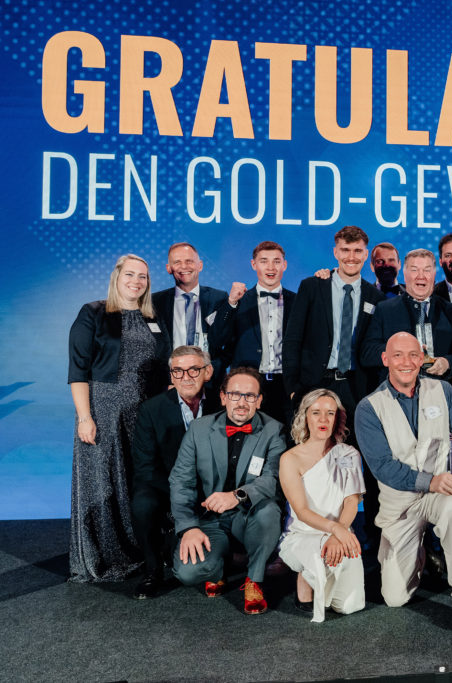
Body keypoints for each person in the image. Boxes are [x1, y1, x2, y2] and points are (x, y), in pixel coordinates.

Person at [354, 332, 452, 630]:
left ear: (422, 358)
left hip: (443, 493)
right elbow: (383, 467)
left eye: (414, 355)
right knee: (395, 597)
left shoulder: (444, 390)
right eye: (398, 355)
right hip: (400, 504)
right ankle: (421, 552)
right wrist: (432, 481)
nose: (407, 362)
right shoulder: (368, 408)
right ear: (385, 360)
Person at [68, 253, 170, 582]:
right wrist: (85, 417)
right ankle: (104, 557)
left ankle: (141, 550)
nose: (136, 281)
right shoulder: (93, 312)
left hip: (144, 411)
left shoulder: (153, 317)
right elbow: (78, 370)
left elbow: (164, 362)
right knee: (103, 481)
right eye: (130, 274)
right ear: (116, 276)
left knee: (138, 481)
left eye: (142, 276)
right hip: (103, 409)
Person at [169, 367, 286, 615]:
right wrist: (188, 527)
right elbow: (180, 481)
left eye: (249, 396)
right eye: (235, 394)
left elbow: (273, 479)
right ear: (223, 397)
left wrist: (236, 496)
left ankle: (254, 579)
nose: (242, 402)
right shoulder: (199, 429)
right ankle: (219, 570)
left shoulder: (273, 430)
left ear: (259, 401)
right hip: (209, 518)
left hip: (249, 514)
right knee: (188, 572)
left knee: (269, 511)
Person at [131, 345, 218, 599]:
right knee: (142, 504)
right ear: (171, 375)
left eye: (193, 370)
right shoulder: (151, 409)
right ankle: (152, 570)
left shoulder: (222, 403)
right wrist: (181, 492)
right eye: (178, 371)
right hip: (166, 485)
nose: (185, 377)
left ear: (208, 372)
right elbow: (145, 467)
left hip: (213, 485)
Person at [283, 226, 385, 428]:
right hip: (314, 383)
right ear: (335, 252)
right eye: (345, 250)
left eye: (357, 251)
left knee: (353, 443)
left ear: (366, 254)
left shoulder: (376, 297)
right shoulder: (312, 287)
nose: (351, 257)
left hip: (357, 387)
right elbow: (293, 339)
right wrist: (293, 388)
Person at [279, 389, 366, 622]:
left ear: (338, 418)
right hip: (302, 535)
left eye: (330, 413)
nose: (323, 419)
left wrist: (339, 532)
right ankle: (305, 580)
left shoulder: (349, 453)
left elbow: (351, 501)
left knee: (349, 606)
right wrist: (334, 529)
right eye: (316, 412)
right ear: (305, 416)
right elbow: (301, 511)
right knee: (318, 560)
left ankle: (324, 584)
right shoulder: (290, 459)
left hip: (341, 532)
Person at [360, 249, 452, 390]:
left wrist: (448, 363)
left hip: (439, 392)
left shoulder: (451, 311)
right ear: (404, 274)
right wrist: (400, 351)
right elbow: (367, 354)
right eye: (414, 270)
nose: (421, 276)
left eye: (427, 270)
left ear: (434, 274)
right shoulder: (385, 309)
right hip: (396, 394)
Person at [217, 241, 295, 424]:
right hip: (247, 387)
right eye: (264, 261)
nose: (271, 267)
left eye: (276, 261)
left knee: (287, 437)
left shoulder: (298, 301)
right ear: (253, 264)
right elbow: (217, 339)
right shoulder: (238, 301)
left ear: (284, 265)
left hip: (286, 387)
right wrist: (231, 304)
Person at [151, 243, 229, 380]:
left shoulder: (219, 298)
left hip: (211, 380)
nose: (184, 266)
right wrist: (167, 379)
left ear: (200, 265)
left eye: (189, 261)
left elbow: (230, 341)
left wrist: (213, 370)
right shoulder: (155, 302)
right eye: (177, 262)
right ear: (168, 268)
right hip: (170, 381)